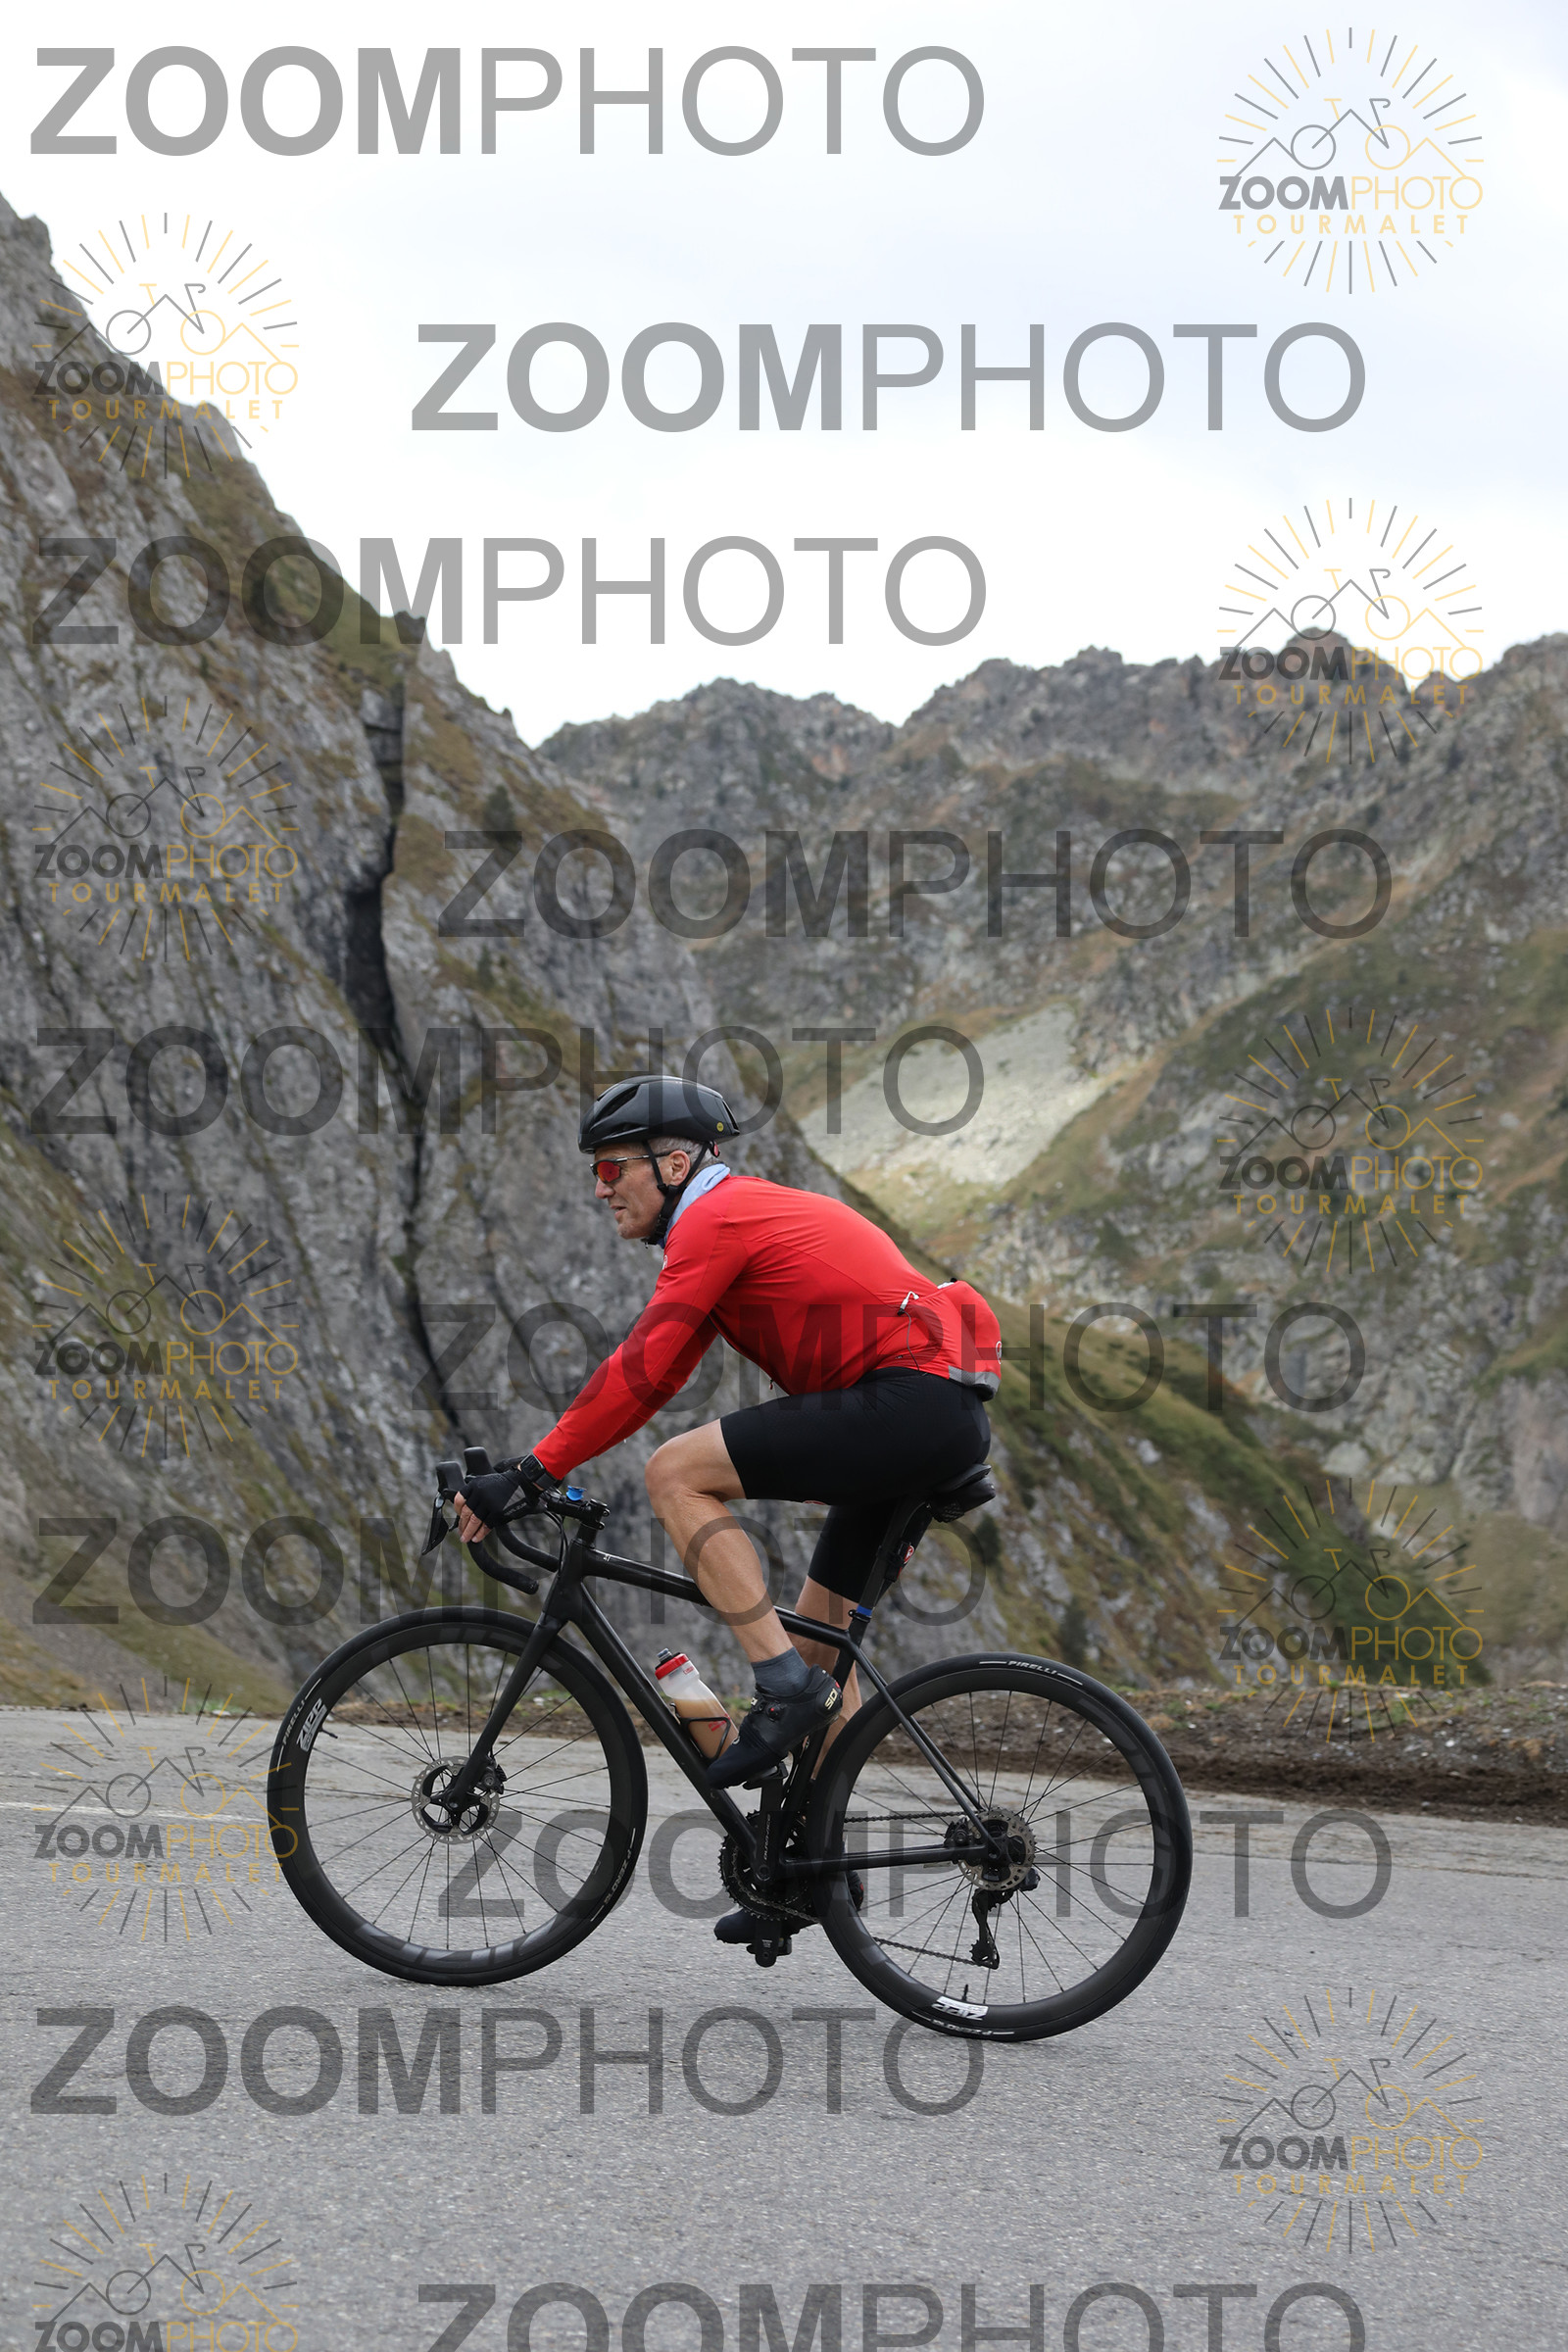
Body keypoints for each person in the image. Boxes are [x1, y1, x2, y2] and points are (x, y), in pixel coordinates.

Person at [454, 1076, 1001, 1942]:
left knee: (676, 1473)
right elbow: (658, 1375)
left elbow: (639, 1367)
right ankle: (812, 1874)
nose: (600, 1188)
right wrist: (540, 1466)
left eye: (612, 1168)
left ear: (674, 1164)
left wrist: (530, 1473)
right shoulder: (729, 1225)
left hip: (910, 1400)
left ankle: (780, 1687)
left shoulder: (717, 1219)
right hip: (934, 1411)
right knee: (825, 1652)